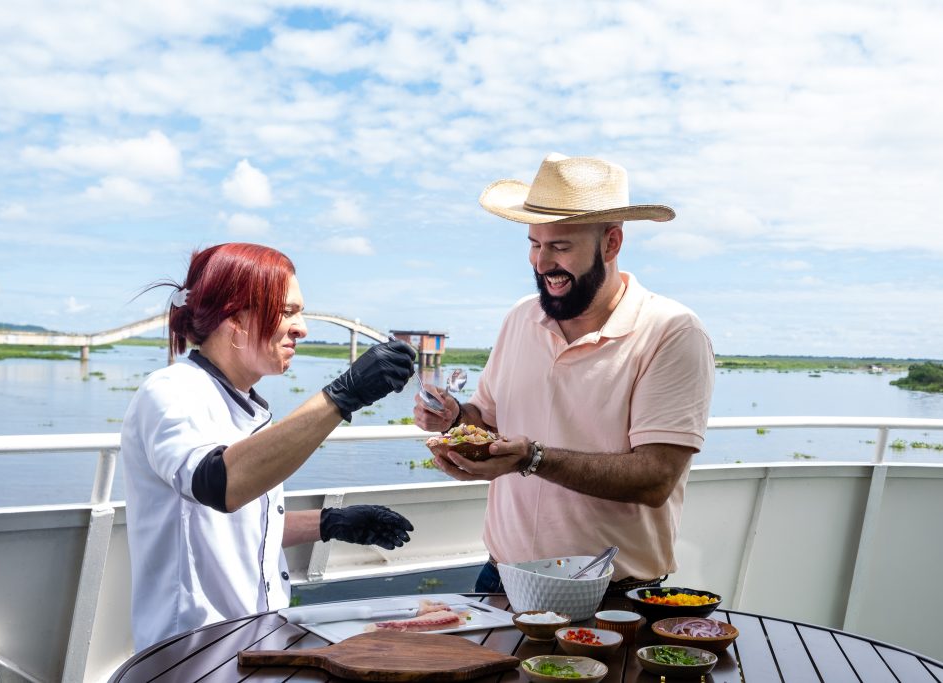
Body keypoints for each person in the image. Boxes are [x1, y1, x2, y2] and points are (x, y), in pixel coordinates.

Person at [414, 153, 715, 594]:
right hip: (501, 576)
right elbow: (488, 422)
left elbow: (655, 478)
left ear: (611, 244)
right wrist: (456, 419)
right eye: (535, 244)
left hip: (610, 592)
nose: (541, 263)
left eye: (560, 246)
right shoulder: (521, 317)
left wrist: (532, 458)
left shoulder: (671, 331)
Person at [122, 242, 417, 650]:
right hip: (191, 653)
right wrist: (342, 396)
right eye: (288, 311)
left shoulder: (243, 403)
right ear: (236, 316)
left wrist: (330, 523)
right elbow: (217, 483)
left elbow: (236, 528)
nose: (302, 328)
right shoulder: (173, 390)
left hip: (253, 641)